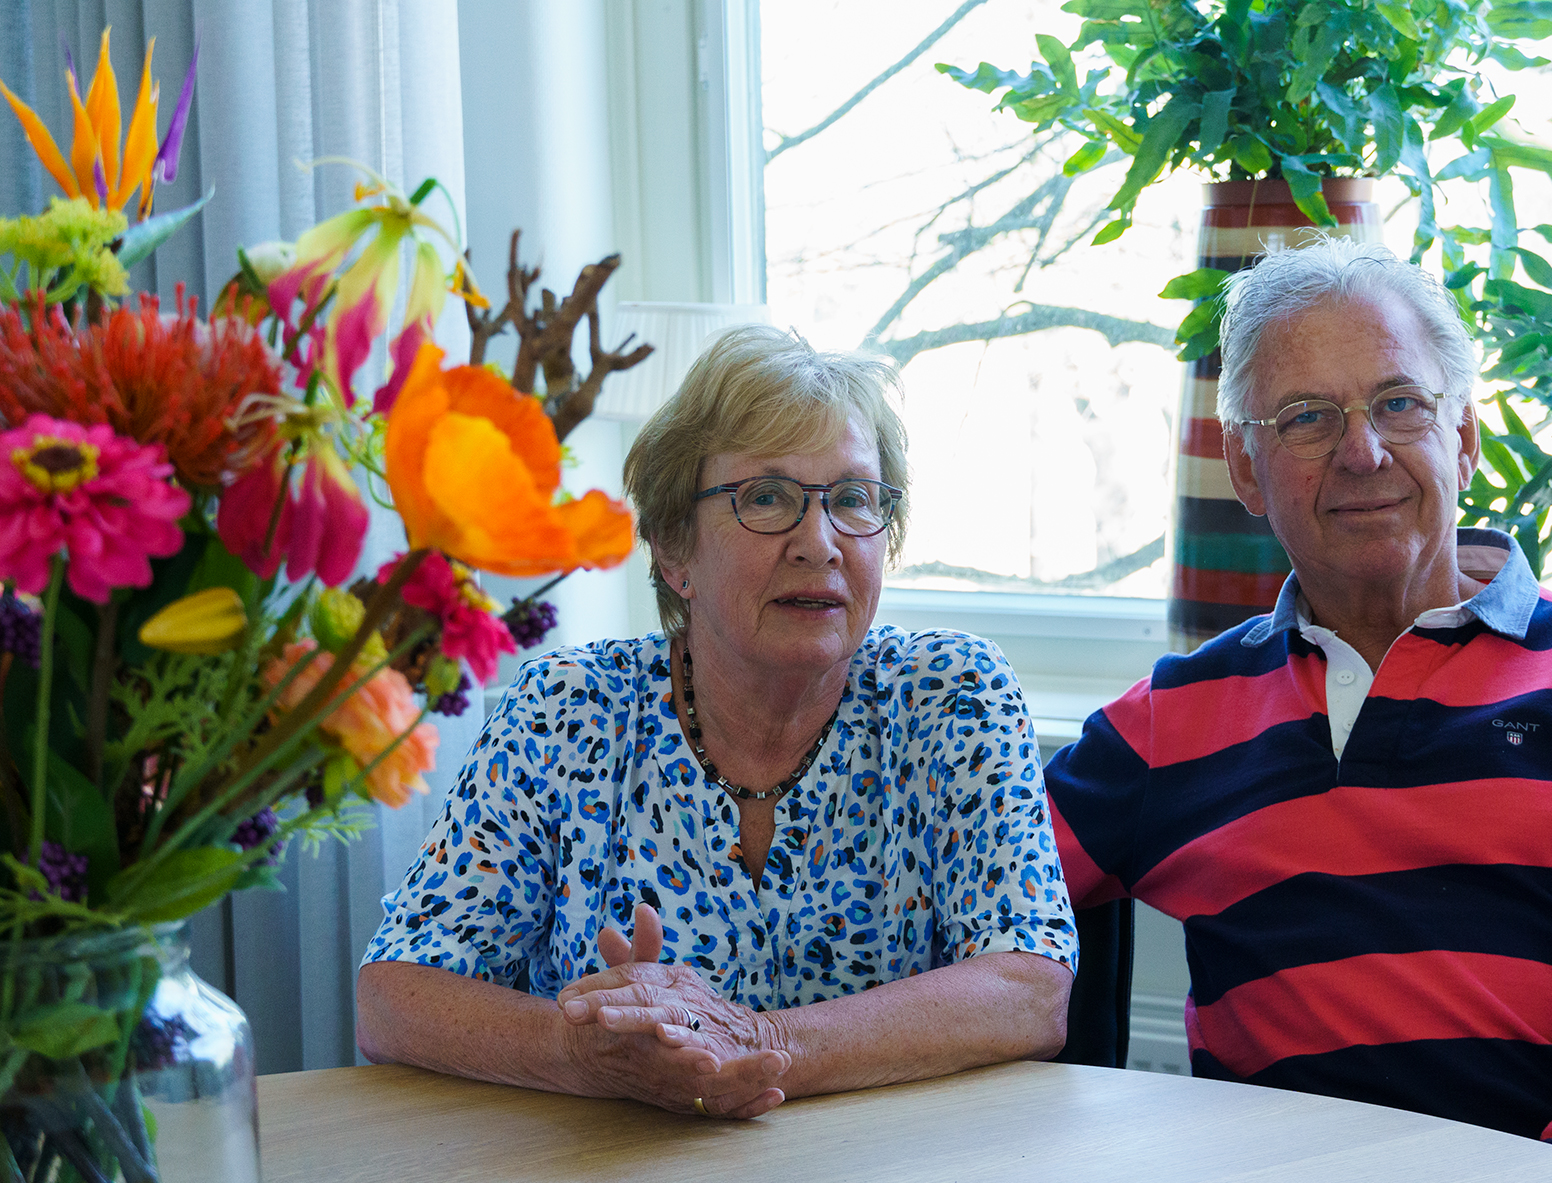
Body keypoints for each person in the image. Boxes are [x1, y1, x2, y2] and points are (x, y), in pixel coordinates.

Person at [1043, 238, 1552, 1183]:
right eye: (1306, 418)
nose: (1363, 451)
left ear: (1461, 436)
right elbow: (965, 902)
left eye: (1398, 403)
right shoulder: (1167, 725)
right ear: (1249, 472)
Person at [357, 326, 1077, 1119]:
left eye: (852, 499)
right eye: (765, 498)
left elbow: (1027, 987)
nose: (820, 543)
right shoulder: (567, 707)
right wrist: (586, 1056)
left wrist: (760, 1043)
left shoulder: (950, 694)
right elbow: (396, 997)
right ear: (673, 550)